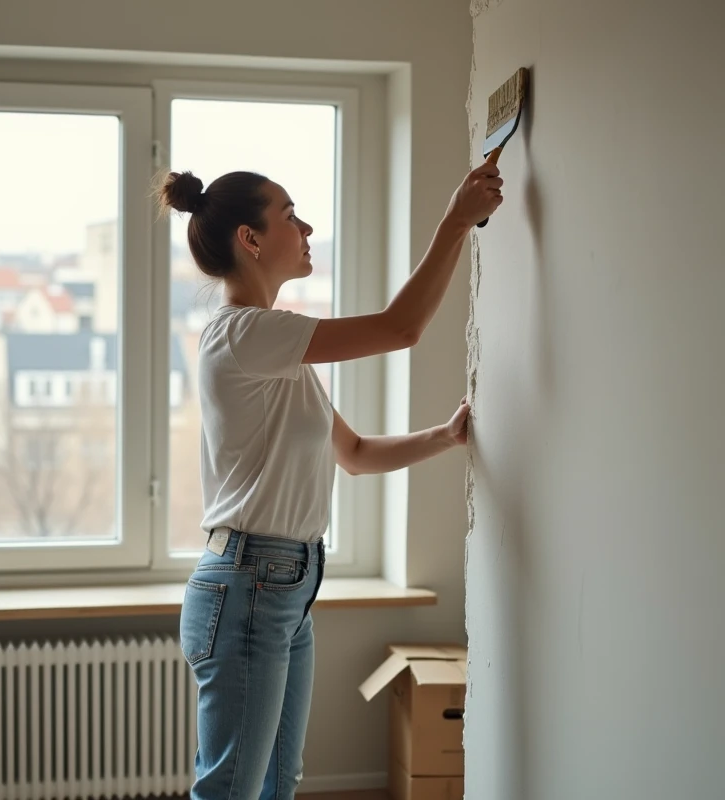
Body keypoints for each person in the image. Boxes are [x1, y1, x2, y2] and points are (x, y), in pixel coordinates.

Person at [155, 156, 502, 800]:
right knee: (232, 790)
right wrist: (457, 221)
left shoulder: (280, 357)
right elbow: (403, 329)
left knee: (277, 785)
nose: (307, 227)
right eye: (290, 215)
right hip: (251, 582)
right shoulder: (243, 335)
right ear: (250, 240)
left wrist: (444, 437)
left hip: (283, 583)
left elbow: (357, 452)